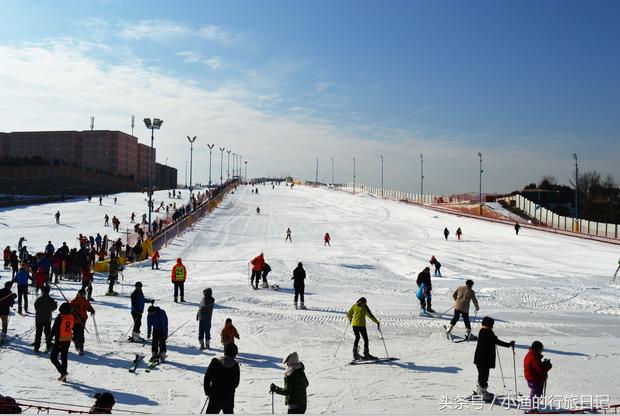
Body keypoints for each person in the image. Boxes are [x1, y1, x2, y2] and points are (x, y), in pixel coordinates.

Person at [473, 316, 515, 401]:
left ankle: (480, 391)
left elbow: (494, 340)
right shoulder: (487, 332)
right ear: (489, 325)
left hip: (480, 358)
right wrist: (509, 344)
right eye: (492, 325)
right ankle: (482, 393)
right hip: (484, 359)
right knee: (484, 376)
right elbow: (497, 341)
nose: (492, 326)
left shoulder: (482, 331)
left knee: (482, 375)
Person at [203, 342, 240, 414]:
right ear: (235, 354)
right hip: (228, 398)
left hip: (214, 397)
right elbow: (236, 383)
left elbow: (207, 378)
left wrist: (208, 392)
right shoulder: (235, 366)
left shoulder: (215, 362)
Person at [49, 302, 75, 381]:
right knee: (64, 358)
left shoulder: (60, 318)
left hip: (60, 339)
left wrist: (49, 339)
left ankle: (63, 372)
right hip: (68, 339)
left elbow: (54, 330)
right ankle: (64, 377)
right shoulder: (71, 316)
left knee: (53, 357)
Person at [524, 341, 552, 408]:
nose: (542, 351)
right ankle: (533, 408)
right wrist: (548, 366)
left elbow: (537, 367)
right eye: (541, 349)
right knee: (536, 394)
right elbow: (541, 370)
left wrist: (543, 364)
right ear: (537, 349)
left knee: (535, 393)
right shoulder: (534, 358)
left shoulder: (531, 354)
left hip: (532, 377)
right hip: (535, 379)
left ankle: (533, 407)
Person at [70, 289, 95, 355]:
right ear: (77, 294)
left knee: (81, 333)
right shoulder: (73, 302)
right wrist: (73, 313)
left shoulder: (85, 301)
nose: (81, 295)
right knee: (75, 333)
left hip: (82, 320)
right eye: (80, 294)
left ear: (84, 295)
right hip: (74, 321)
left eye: (82, 294)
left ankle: (81, 348)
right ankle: (76, 343)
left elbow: (89, 307)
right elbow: (69, 310)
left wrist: (92, 310)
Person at [34, 286, 57, 353]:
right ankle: (48, 345)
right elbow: (54, 308)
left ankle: (36, 347)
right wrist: (55, 305)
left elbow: (36, 307)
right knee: (48, 333)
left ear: (42, 291)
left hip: (39, 319)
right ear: (48, 292)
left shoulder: (38, 299)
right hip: (47, 319)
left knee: (38, 333)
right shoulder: (50, 300)